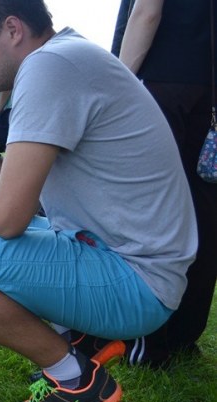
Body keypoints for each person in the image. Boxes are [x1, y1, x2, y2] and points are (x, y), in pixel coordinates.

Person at [0, 0, 197, 402]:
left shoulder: (48, 67)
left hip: (137, 282)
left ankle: (76, 381)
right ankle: (82, 339)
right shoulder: (66, 56)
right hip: (141, 265)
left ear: (13, 30)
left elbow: (8, 215)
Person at [82, 0, 217, 368]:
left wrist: (117, 84)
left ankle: (149, 344)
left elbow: (147, 11)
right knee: (205, 215)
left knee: (151, 215)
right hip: (209, 93)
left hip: (165, 86)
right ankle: (184, 337)